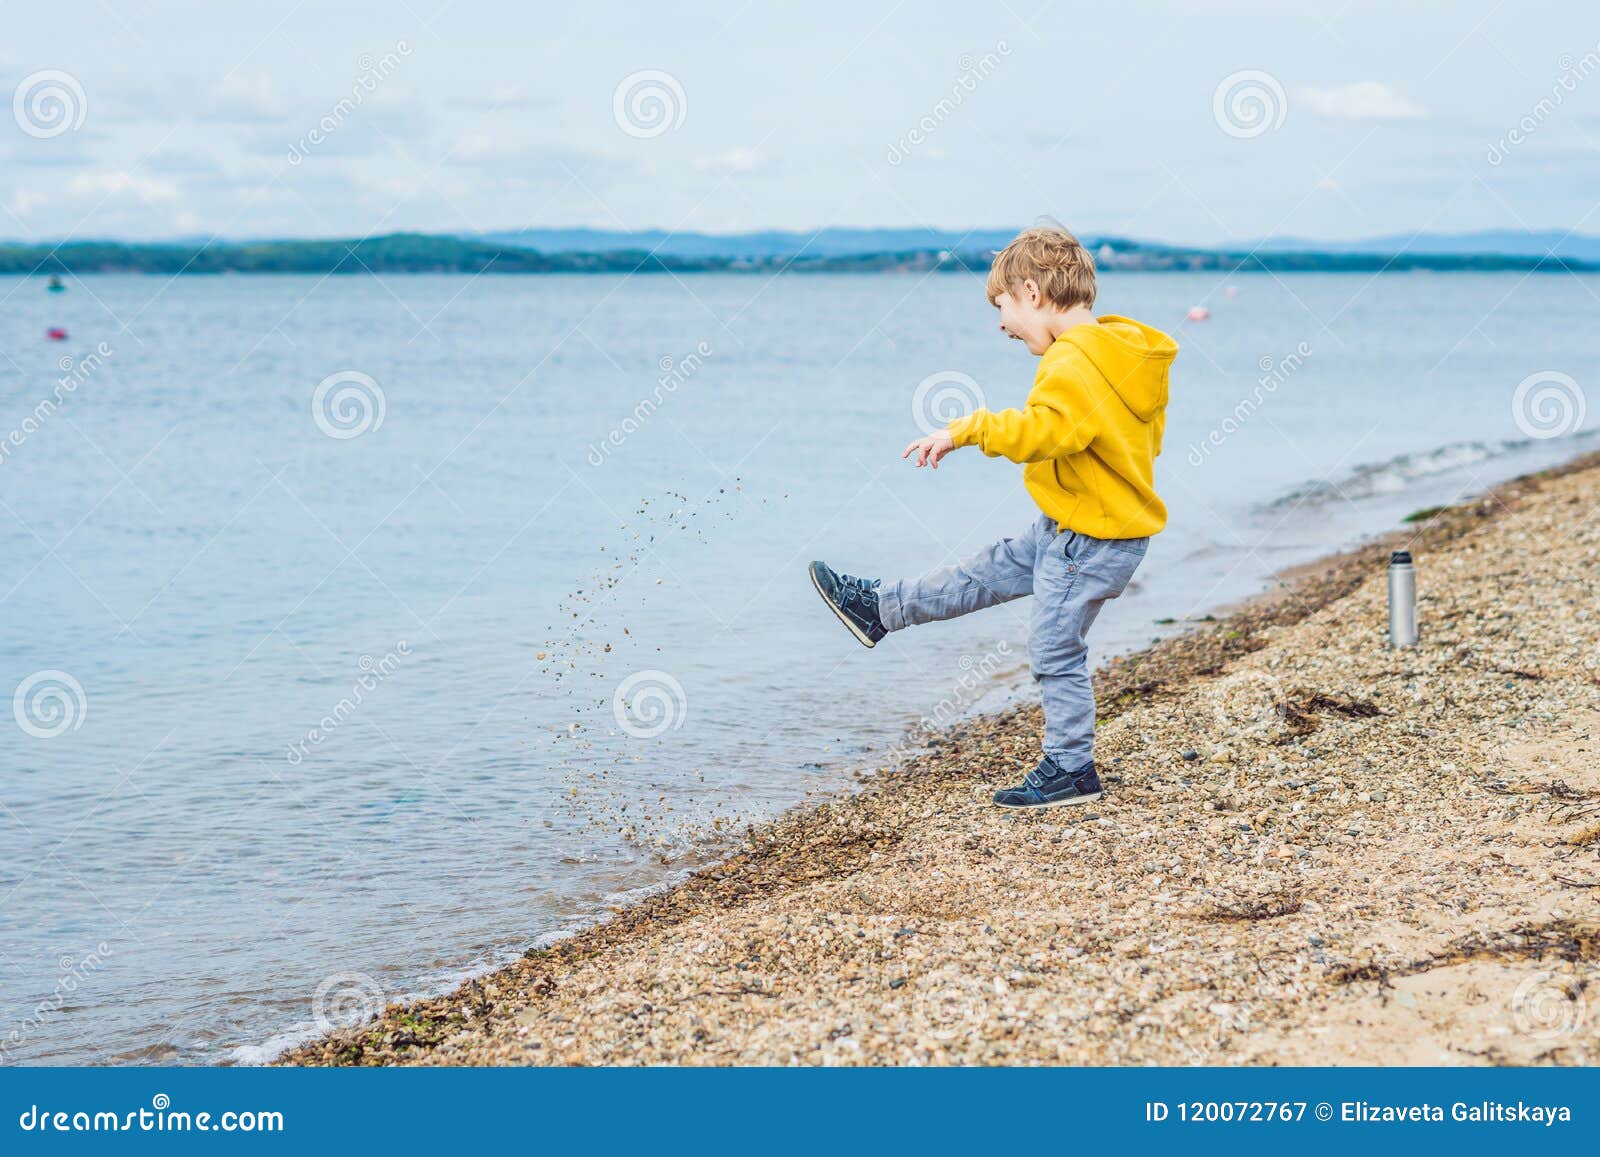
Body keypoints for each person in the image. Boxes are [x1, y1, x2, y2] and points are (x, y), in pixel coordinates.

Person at [809, 225, 1178, 809]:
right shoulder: (1121, 354)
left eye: (1002, 305)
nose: (1001, 322)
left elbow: (1045, 432)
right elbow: (1119, 440)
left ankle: (1071, 769)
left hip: (1089, 538)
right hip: (1078, 527)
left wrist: (967, 428)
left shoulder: (1074, 361)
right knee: (981, 574)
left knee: (1055, 651)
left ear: (1031, 293)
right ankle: (879, 608)